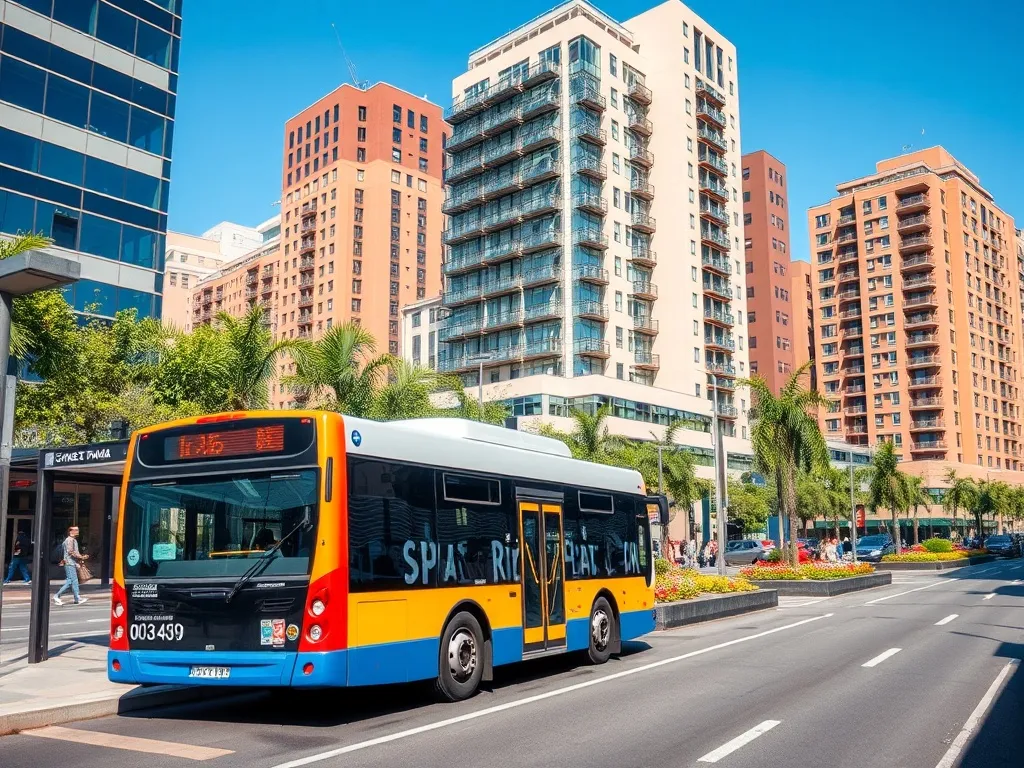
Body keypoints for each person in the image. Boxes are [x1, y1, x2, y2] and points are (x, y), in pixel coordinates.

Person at [54, 526, 88, 606]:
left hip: (72, 563)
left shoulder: (73, 540)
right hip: (69, 563)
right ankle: (57, 595)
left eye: (77, 530)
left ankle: (77, 598)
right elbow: (70, 552)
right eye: (75, 530)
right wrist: (81, 557)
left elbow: (74, 552)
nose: (77, 531)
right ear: (70, 532)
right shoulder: (69, 540)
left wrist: (80, 557)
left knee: (75, 581)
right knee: (70, 581)